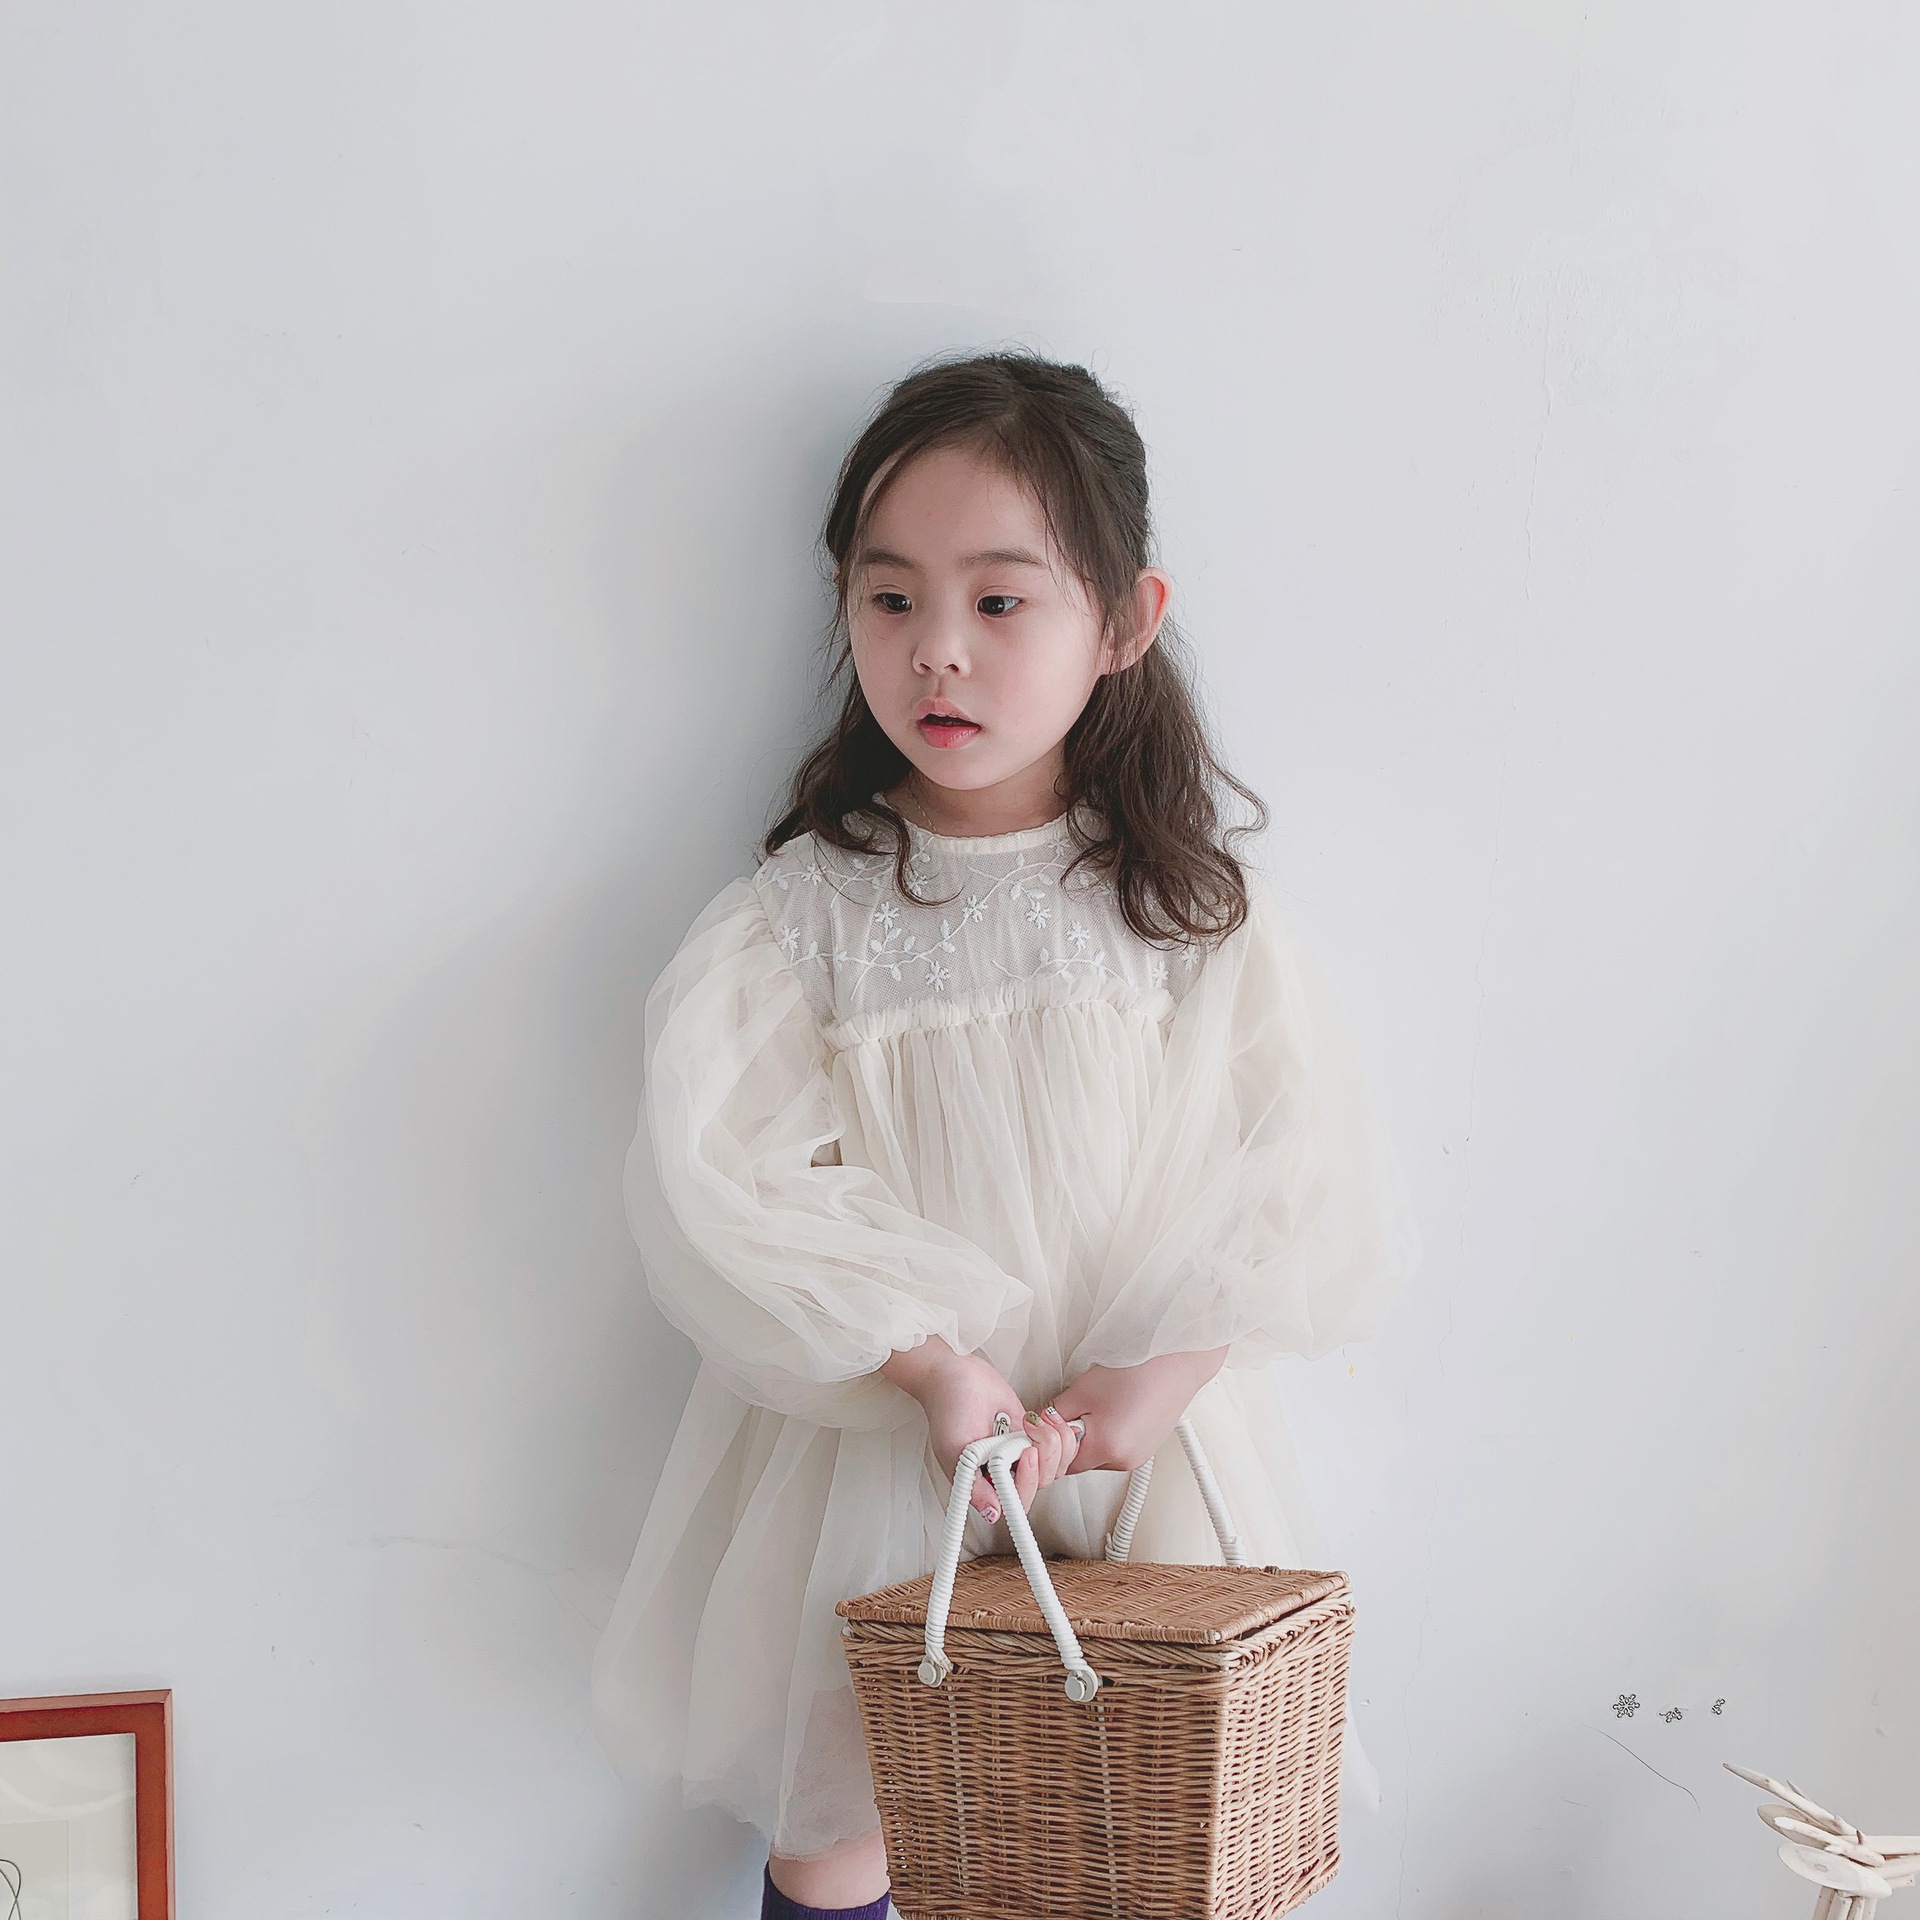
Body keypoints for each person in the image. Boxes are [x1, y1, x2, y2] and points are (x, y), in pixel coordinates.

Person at [592, 352, 1419, 1919]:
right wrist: (930, 1362)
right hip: (888, 1450)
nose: (938, 652)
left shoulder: (1187, 910)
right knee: (849, 1807)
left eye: (998, 600)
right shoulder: (806, 916)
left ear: (1125, 621)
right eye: (889, 598)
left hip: (1144, 1439)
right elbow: (729, 1181)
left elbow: (1292, 1175)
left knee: (1141, 1820)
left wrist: (1151, 1383)